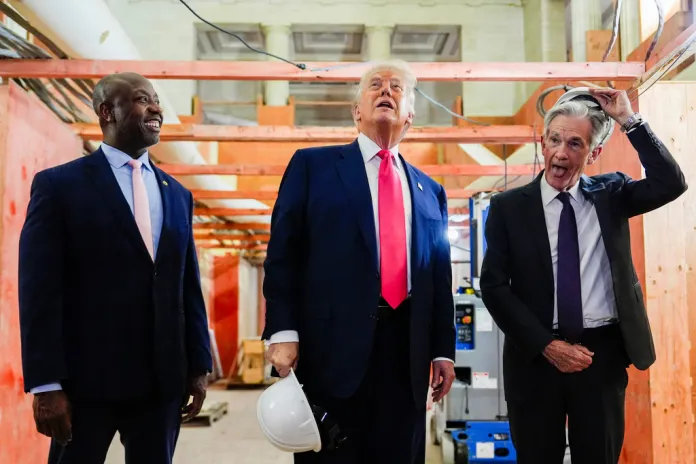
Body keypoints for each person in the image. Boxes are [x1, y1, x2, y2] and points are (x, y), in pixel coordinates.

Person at [261, 59, 456, 463]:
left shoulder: (430, 190)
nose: (386, 91)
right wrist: (281, 330)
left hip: (407, 355)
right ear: (356, 112)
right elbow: (283, 252)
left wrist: (442, 350)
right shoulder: (312, 167)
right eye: (375, 85)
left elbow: (438, 275)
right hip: (330, 353)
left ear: (411, 116)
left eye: (397, 87)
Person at [479, 87, 687, 464]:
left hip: (601, 356)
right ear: (543, 143)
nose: (561, 152)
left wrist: (630, 120)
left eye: (575, 143)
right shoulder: (508, 208)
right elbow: (494, 287)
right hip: (535, 357)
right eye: (555, 139)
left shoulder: (612, 194)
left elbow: (671, 183)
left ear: (594, 153)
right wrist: (547, 345)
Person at [18, 72, 213, 464]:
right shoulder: (60, 186)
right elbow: (39, 289)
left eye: (156, 99)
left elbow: (186, 286)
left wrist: (198, 366)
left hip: (161, 383)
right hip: (85, 384)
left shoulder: (178, 195)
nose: (156, 108)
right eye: (143, 100)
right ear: (108, 112)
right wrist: (46, 383)